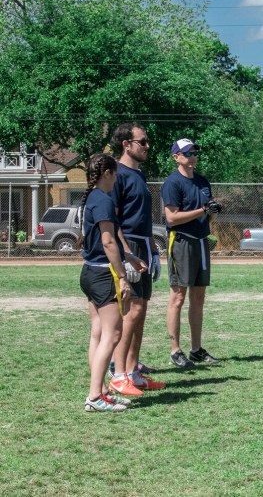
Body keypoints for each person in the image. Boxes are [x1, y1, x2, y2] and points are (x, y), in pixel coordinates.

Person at [80, 153, 146, 412]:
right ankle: (95, 396)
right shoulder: (104, 200)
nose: (117, 177)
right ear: (107, 173)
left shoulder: (93, 198)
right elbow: (108, 242)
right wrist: (122, 276)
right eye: (115, 173)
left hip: (89, 272)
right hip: (102, 274)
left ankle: (101, 392)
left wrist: (128, 254)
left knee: (98, 333)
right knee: (113, 333)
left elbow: (107, 240)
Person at [107, 123, 165, 396]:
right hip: (128, 248)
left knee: (140, 313)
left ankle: (133, 373)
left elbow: (143, 219)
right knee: (130, 313)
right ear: (126, 144)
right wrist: (126, 254)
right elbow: (113, 219)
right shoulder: (117, 175)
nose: (147, 146)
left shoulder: (139, 175)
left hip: (142, 246)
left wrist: (152, 250)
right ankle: (118, 374)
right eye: (142, 141)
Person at [161, 138, 222, 368]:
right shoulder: (172, 183)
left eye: (195, 152)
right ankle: (175, 350)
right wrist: (201, 210)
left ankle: (196, 349)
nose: (193, 157)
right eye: (187, 153)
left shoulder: (202, 181)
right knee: (178, 297)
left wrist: (212, 212)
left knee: (199, 297)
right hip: (181, 242)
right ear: (176, 156)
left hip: (201, 242)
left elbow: (208, 216)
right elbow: (172, 217)